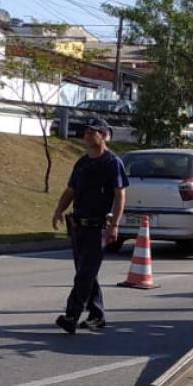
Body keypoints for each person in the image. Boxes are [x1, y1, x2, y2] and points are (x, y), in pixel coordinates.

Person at [50, 115, 128, 334]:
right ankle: (97, 314)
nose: (86, 135)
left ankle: (71, 315)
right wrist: (58, 210)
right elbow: (70, 190)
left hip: (98, 227)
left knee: (85, 272)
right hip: (78, 226)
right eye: (85, 131)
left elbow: (120, 196)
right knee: (86, 272)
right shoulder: (82, 162)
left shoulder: (112, 162)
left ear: (103, 135)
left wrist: (114, 225)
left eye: (91, 131)